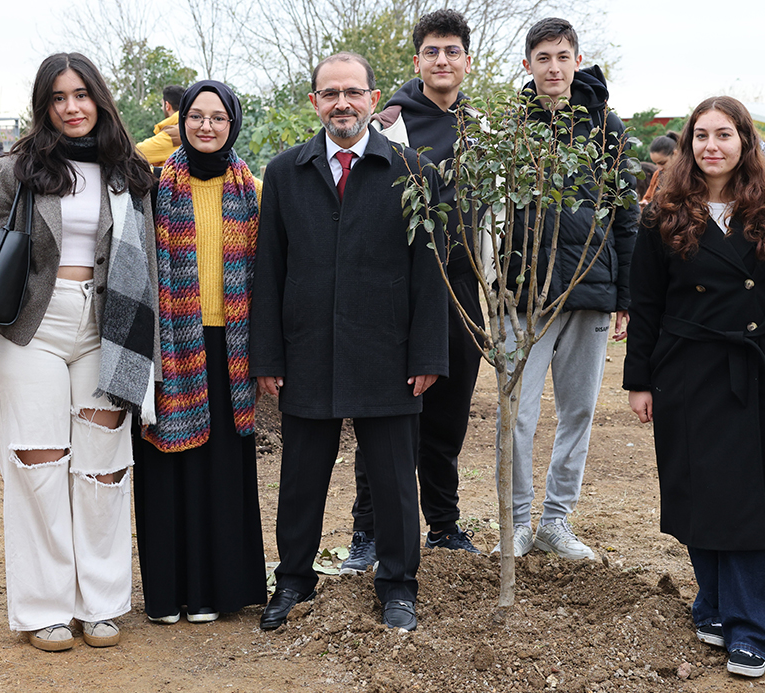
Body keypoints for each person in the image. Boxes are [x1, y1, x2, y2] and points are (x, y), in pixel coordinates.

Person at [0, 52, 160, 652]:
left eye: (82, 95)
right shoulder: (18, 167)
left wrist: (152, 357)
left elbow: (149, 268)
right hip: (33, 328)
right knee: (37, 467)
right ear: (44, 106)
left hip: (107, 326)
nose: (72, 108)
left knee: (103, 469)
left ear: (99, 99)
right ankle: (45, 609)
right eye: (59, 97)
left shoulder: (128, 169)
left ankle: (102, 603)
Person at [251, 51, 447, 633]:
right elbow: (270, 269)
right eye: (330, 93)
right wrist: (268, 354)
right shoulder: (287, 172)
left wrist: (427, 353)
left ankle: (398, 586)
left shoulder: (414, 172)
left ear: (371, 97)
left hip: (387, 353)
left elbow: (429, 273)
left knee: (392, 478)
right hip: (306, 351)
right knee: (301, 477)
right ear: (315, 102)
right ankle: (292, 581)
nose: (342, 103)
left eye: (353, 92)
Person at [623, 96, 765, 679]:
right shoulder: (661, 213)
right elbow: (644, 303)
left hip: (753, 370)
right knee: (695, 490)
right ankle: (713, 603)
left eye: (724, 134)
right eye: (701, 135)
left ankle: (750, 626)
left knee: (747, 499)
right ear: (689, 144)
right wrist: (638, 380)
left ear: (744, 141)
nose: (711, 146)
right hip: (684, 368)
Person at [337, 7, 484, 576]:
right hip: (397, 297)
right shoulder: (390, 122)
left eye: (452, 51)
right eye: (432, 51)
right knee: (387, 415)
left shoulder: (483, 130)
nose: (442, 60)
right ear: (417, 60)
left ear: (467, 62)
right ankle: (367, 533)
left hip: (463, 293)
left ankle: (443, 525)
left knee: (448, 417)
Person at [498, 17, 639, 561]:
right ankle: (514, 525)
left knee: (577, 411)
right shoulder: (511, 128)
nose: (553, 67)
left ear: (576, 61)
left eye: (562, 56)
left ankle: (556, 522)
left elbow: (624, 216)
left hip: (589, 287)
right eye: (542, 57)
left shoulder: (606, 126)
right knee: (517, 414)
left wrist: (624, 295)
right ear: (528, 65)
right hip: (524, 295)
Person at [133, 80, 267, 626]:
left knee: (220, 472)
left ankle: (218, 592)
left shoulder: (253, 189)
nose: (206, 126)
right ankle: (168, 595)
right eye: (196, 116)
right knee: (167, 469)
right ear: (181, 121)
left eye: (218, 117)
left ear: (233, 123)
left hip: (231, 349)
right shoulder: (153, 186)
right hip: (171, 347)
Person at [135, 85, 186, 167]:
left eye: (162, 105)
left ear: (167, 105)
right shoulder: (187, 126)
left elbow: (138, 152)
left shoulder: (174, 133)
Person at [642, 131, 679, 205]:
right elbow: (648, 198)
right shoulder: (657, 175)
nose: (659, 168)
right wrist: (645, 204)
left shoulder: (689, 175)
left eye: (662, 163)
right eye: (656, 164)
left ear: (675, 154)